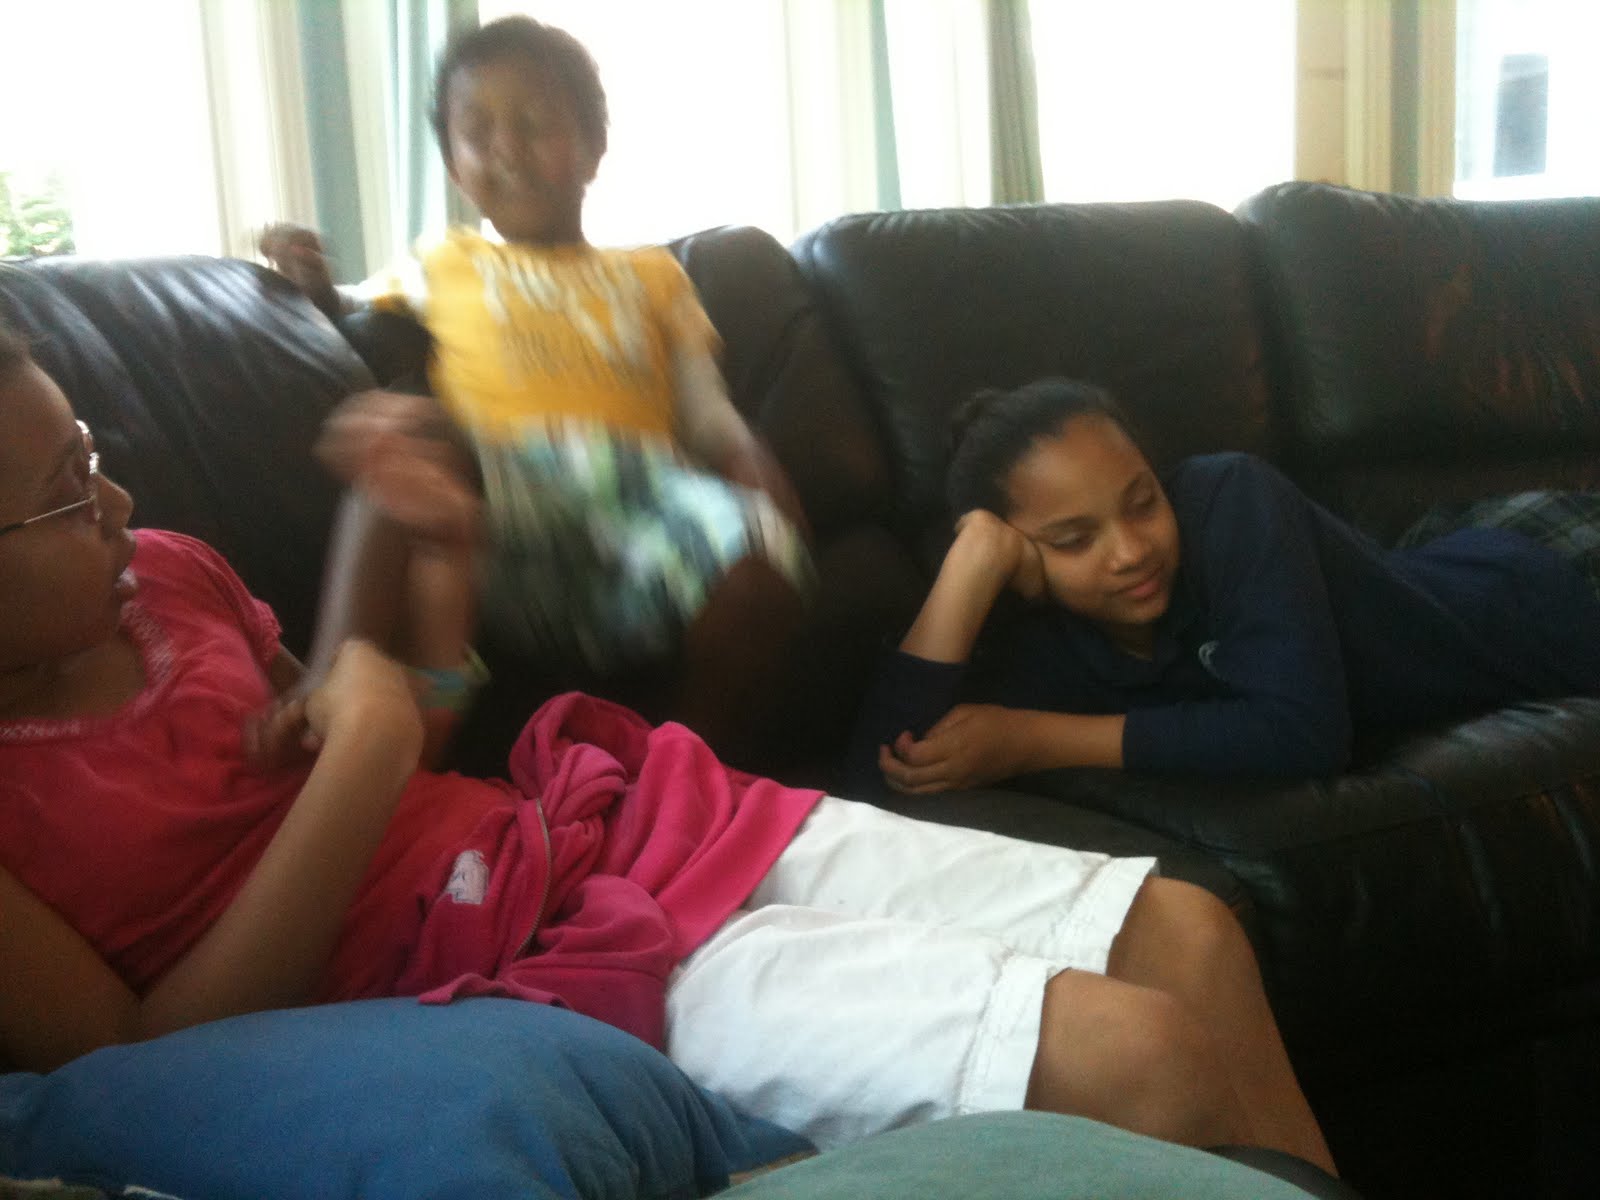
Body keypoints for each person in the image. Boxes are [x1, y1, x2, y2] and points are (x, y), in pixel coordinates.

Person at [0, 326, 1336, 1173]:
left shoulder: (169, 570)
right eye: (64, 494)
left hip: (615, 819)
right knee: (1141, 1058)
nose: (117, 502)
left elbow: (364, 725)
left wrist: (438, 571)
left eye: (93, 453)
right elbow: (129, 1066)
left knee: (1192, 931)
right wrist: (370, 750)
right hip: (533, 962)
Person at [260, 15, 811, 765]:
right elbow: (352, 316)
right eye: (477, 132)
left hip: (639, 508)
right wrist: (313, 285)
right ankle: (327, 679)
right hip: (495, 505)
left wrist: (754, 469)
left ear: (592, 147)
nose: (506, 149)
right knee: (393, 468)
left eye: (534, 124)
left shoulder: (653, 276)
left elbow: (708, 412)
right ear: (454, 166)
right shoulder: (443, 261)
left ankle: (683, 766)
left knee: (762, 566)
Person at [850, 376, 1600, 795]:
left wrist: (1032, 740)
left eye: (1143, 502)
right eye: (1074, 541)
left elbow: (1302, 733)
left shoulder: (1229, 498)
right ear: (1021, 563)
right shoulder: (1038, 638)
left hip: (1546, 588)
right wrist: (968, 570)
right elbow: (869, 787)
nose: (1131, 552)